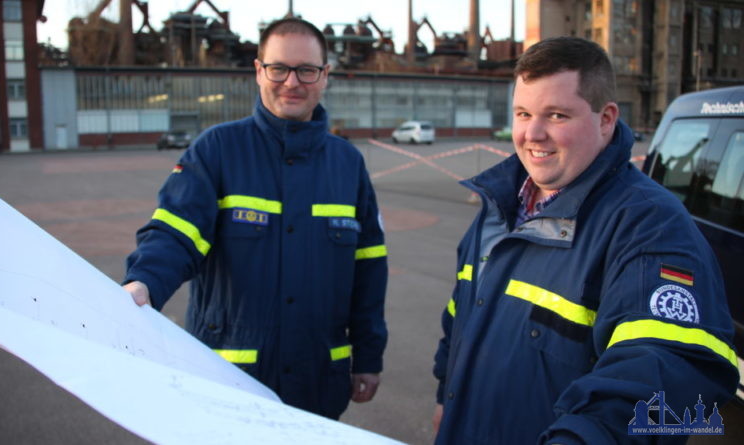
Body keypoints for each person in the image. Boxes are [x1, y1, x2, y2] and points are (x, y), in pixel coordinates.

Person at [432, 36, 739, 444]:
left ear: (606, 119)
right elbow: (460, 316)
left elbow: (681, 374)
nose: (532, 134)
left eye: (557, 115)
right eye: (523, 113)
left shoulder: (649, 226)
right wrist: (445, 398)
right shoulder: (499, 207)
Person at [123, 17, 388, 420]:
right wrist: (145, 282)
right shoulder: (216, 150)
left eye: (307, 70)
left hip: (317, 384)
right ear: (258, 71)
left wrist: (368, 355)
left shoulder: (348, 164)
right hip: (229, 381)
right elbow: (175, 233)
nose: (292, 82)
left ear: (325, 75)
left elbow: (369, 270)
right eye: (279, 68)